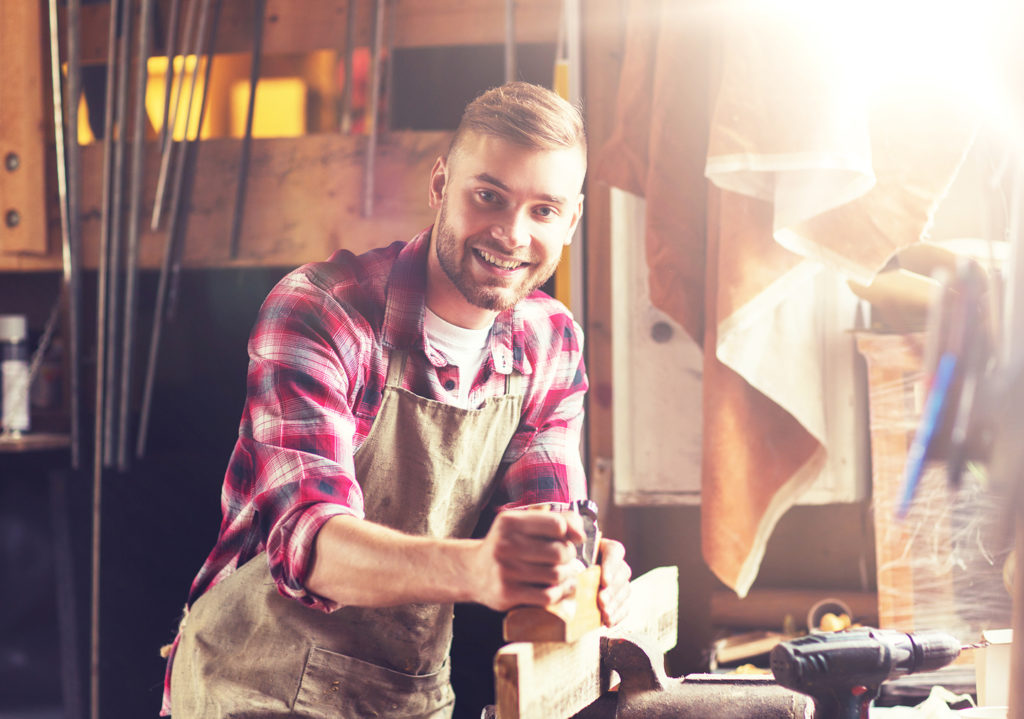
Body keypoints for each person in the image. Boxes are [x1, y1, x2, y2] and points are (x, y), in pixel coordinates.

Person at [161, 81, 632, 719]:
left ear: (571, 220)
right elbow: (313, 544)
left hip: (405, 695)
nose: (511, 234)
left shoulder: (550, 342)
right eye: (488, 195)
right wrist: (481, 569)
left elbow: (548, 524)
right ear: (441, 185)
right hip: (252, 681)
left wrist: (576, 567)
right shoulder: (322, 310)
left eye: (543, 210)